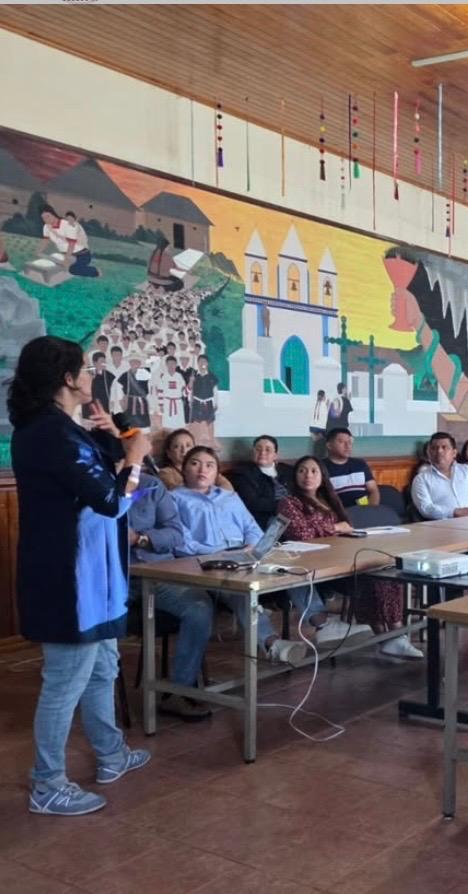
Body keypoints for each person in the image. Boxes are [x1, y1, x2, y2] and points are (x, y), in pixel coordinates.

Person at [8, 335, 152, 816]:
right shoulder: (48, 433)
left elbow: (115, 462)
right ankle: (47, 783)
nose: (92, 375)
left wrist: (121, 438)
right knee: (64, 681)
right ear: (68, 379)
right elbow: (111, 500)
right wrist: (134, 459)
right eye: (86, 369)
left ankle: (111, 754)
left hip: (98, 575)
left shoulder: (68, 428)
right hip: (69, 579)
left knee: (104, 667)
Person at [170, 447, 318, 661]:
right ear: (184, 469)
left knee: (290, 571)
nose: (202, 470)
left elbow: (252, 528)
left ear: (216, 472)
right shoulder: (174, 499)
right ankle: (272, 644)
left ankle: (321, 622)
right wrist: (218, 554)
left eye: (210, 465)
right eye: (195, 463)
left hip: (245, 555)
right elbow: (180, 541)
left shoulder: (229, 497)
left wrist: (251, 546)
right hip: (208, 562)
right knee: (241, 589)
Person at [277, 457, 417, 660]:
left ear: (322, 476)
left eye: (314, 471)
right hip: (317, 567)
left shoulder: (327, 499)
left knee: (383, 573)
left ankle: (396, 636)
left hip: (340, 558)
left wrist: (338, 529)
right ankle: (387, 640)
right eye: (302, 471)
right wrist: (335, 528)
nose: (308, 475)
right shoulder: (289, 503)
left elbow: (347, 527)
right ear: (295, 476)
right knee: (370, 579)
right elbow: (302, 534)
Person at [125, 472, 212, 722]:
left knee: (199, 606)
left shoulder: (151, 485)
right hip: (113, 579)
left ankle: (179, 690)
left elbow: (175, 533)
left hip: (157, 573)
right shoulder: (94, 483)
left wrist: (140, 539)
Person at [411, 431, 468, 519]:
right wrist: (454, 512)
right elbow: (426, 508)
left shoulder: (467, 470)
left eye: (444, 447)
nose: (439, 451)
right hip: (445, 524)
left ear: (454, 453)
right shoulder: (421, 479)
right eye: (434, 448)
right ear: (429, 453)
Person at [227, 434, 295, 528]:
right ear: (253, 453)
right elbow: (252, 503)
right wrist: (285, 506)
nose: (262, 453)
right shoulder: (243, 474)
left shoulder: (288, 470)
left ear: (275, 455)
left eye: (268, 450)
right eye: (258, 449)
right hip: (266, 519)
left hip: (293, 514)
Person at [157, 428, 233, 492]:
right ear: (169, 453)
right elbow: (179, 493)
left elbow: (228, 487)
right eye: (177, 447)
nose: (184, 450)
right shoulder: (165, 473)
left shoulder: (204, 468)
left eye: (188, 445)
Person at [323, 427, 380, 508]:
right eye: (341, 442)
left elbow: (373, 490)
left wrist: (370, 510)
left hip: (364, 509)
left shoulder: (360, 464)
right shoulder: (321, 467)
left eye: (349, 442)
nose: (347, 446)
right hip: (340, 512)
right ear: (329, 445)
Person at [38, 205, 100, 278]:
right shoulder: (46, 227)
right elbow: (46, 240)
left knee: (73, 270)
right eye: (43, 218)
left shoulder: (67, 225)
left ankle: (96, 271)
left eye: (48, 216)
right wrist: (39, 251)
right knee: (54, 262)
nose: (46, 220)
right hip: (66, 255)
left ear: (53, 214)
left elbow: (71, 244)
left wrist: (66, 260)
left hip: (82, 255)